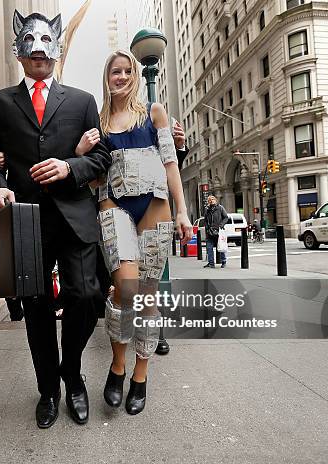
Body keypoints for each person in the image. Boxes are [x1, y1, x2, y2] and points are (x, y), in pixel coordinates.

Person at [0, 10, 111, 429]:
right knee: (36, 308)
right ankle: (48, 390)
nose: (39, 53)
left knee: (87, 295)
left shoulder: (82, 101)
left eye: (45, 46)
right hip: (26, 220)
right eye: (30, 46)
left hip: (74, 215)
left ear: (56, 50)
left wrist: (70, 167)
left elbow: (101, 158)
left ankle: (71, 373)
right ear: (19, 51)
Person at [79, 49, 192, 415]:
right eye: (116, 71)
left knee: (147, 295)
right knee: (125, 287)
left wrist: (184, 212)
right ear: (107, 76)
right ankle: (117, 364)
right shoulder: (96, 123)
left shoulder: (154, 114)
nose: (123, 76)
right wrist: (80, 150)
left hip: (155, 206)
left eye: (129, 70)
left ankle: (140, 375)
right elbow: (92, 176)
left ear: (136, 76)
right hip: (115, 205)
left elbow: (171, 164)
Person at [203, 195, 229, 268]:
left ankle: (223, 262)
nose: (211, 200)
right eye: (209, 200)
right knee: (209, 248)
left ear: (215, 200)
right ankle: (211, 263)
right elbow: (205, 220)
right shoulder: (207, 209)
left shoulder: (220, 208)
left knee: (221, 246)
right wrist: (207, 228)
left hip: (218, 231)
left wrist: (221, 225)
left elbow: (226, 217)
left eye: (212, 199)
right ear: (208, 202)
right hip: (210, 231)